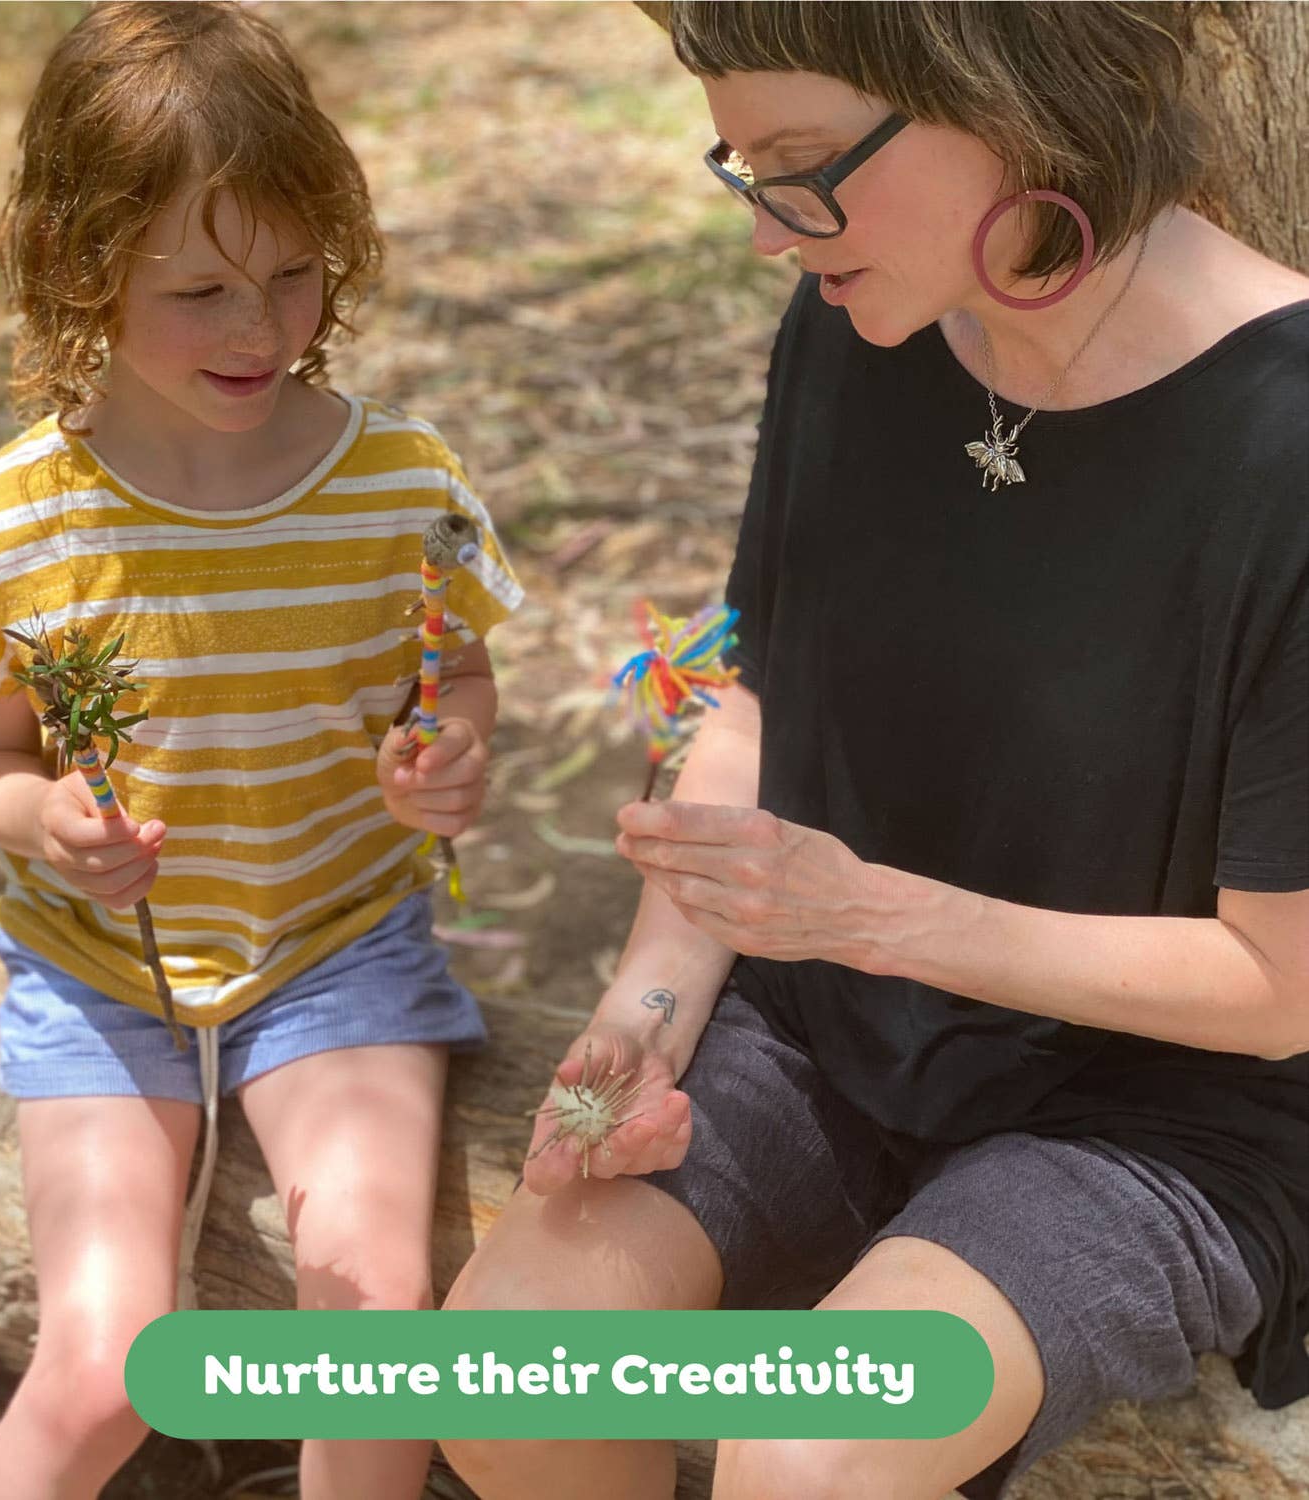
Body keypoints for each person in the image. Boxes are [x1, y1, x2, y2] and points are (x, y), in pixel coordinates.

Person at [441, 4, 1308, 1498]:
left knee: (810, 1452)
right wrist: (646, 1011)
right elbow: (759, 706)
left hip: (1161, 1107)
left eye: (803, 166)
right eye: (745, 168)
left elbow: (1280, 993)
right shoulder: (862, 316)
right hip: (824, 1026)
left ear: (1010, 98)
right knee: (512, 1370)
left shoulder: (1287, 443)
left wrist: (874, 917)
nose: (776, 230)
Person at [0, 5, 521, 1498]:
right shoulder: (11, 523)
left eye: (294, 276)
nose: (259, 329)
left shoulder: (399, 485)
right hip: (102, 981)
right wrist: (46, 819)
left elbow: (464, 676)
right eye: (201, 290)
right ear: (77, 267)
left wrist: (453, 753)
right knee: (108, 1365)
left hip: (340, 946)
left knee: (372, 1332)